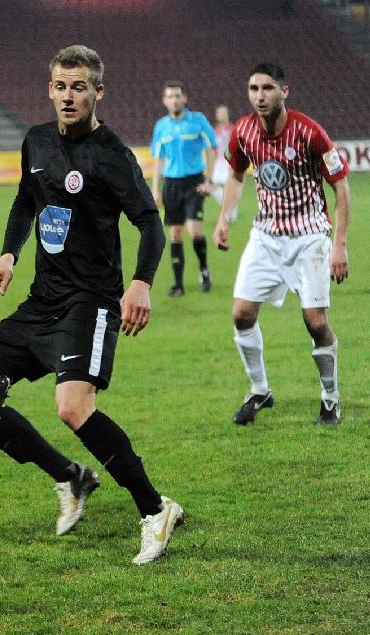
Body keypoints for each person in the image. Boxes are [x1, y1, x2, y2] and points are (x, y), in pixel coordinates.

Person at [0, 45, 184, 566]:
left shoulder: (112, 155)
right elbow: (26, 200)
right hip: (41, 299)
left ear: (97, 92)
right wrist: (7, 255)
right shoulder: (35, 141)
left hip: (90, 302)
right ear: (50, 88)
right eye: (61, 86)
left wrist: (141, 283)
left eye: (79, 87)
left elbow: (149, 223)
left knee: (72, 407)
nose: (69, 96)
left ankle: (156, 509)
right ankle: (70, 477)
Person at [212, 62, 351, 426]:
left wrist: (339, 244)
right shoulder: (242, 131)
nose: (260, 96)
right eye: (254, 88)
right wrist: (224, 218)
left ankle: (330, 396)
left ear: (284, 92)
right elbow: (236, 175)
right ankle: (260, 389)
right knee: (241, 313)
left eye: (268, 88)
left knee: (315, 322)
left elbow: (341, 186)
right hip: (266, 236)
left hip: (309, 239)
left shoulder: (309, 132)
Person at [150, 80, 218, 296]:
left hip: (194, 182)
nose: (174, 99)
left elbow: (211, 150)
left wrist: (209, 180)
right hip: (171, 184)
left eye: (177, 95)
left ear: (184, 98)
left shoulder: (198, 121)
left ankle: (204, 269)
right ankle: (178, 284)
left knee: (194, 230)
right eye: (170, 96)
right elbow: (159, 160)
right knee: (175, 234)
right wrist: (156, 189)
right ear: (164, 101)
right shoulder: (161, 126)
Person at [209, 104, 238, 223]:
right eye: (217, 113)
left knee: (229, 188)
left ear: (227, 114)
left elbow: (237, 148)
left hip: (229, 163)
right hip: (218, 163)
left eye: (221, 112)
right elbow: (213, 148)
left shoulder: (233, 129)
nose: (218, 115)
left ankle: (232, 212)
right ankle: (230, 207)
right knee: (211, 186)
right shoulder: (214, 131)